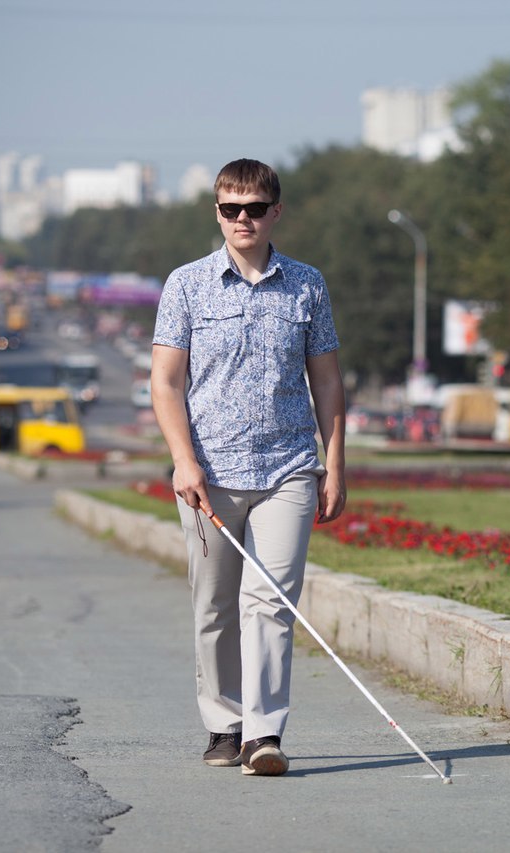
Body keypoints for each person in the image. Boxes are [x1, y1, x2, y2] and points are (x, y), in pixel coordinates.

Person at [151, 158, 346, 777]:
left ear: (275, 213)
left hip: (288, 468)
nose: (243, 219)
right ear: (217, 213)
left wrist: (333, 465)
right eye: (231, 209)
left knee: (270, 603)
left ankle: (264, 735)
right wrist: (183, 462)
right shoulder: (186, 284)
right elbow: (166, 381)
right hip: (207, 474)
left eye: (254, 208)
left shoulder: (307, 285)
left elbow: (328, 382)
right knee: (214, 606)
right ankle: (223, 724)